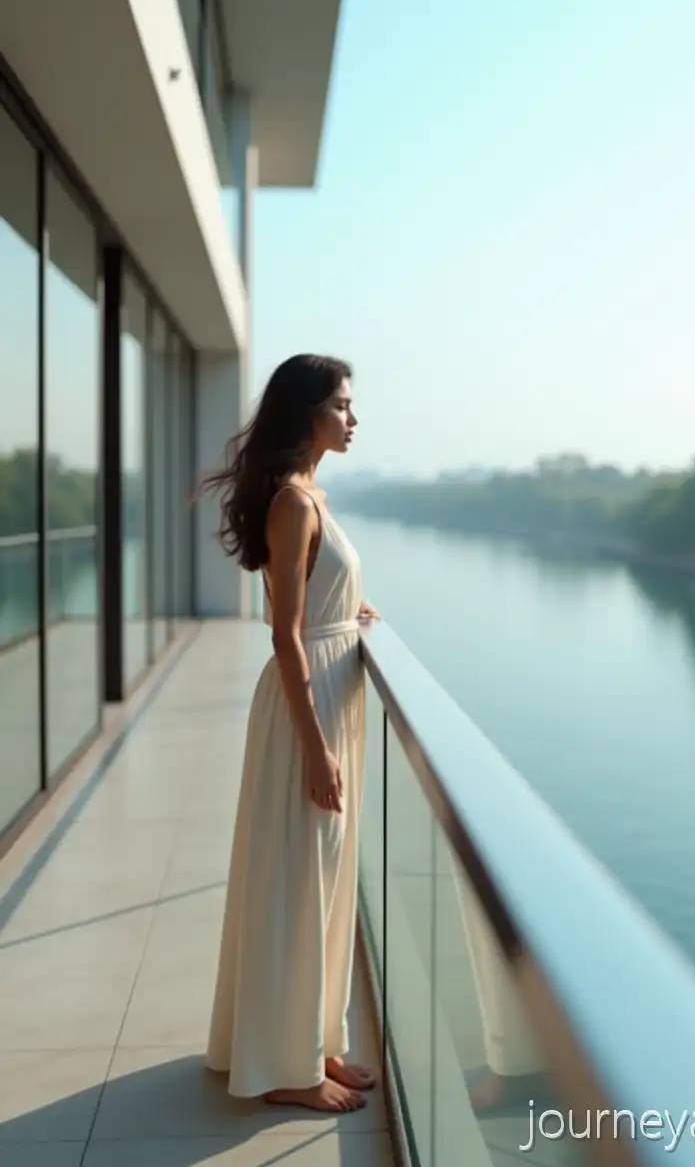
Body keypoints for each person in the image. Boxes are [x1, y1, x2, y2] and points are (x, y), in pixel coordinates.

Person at [199, 353, 379, 1113]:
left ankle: (317, 1042)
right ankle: (287, 1067)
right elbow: (285, 634)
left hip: (331, 697)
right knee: (298, 881)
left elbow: (318, 603)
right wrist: (315, 748)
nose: (352, 417)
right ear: (305, 412)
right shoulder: (293, 504)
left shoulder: (312, 495)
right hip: (307, 711)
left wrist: (354, 612)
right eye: (340, 404)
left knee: (327, 882)